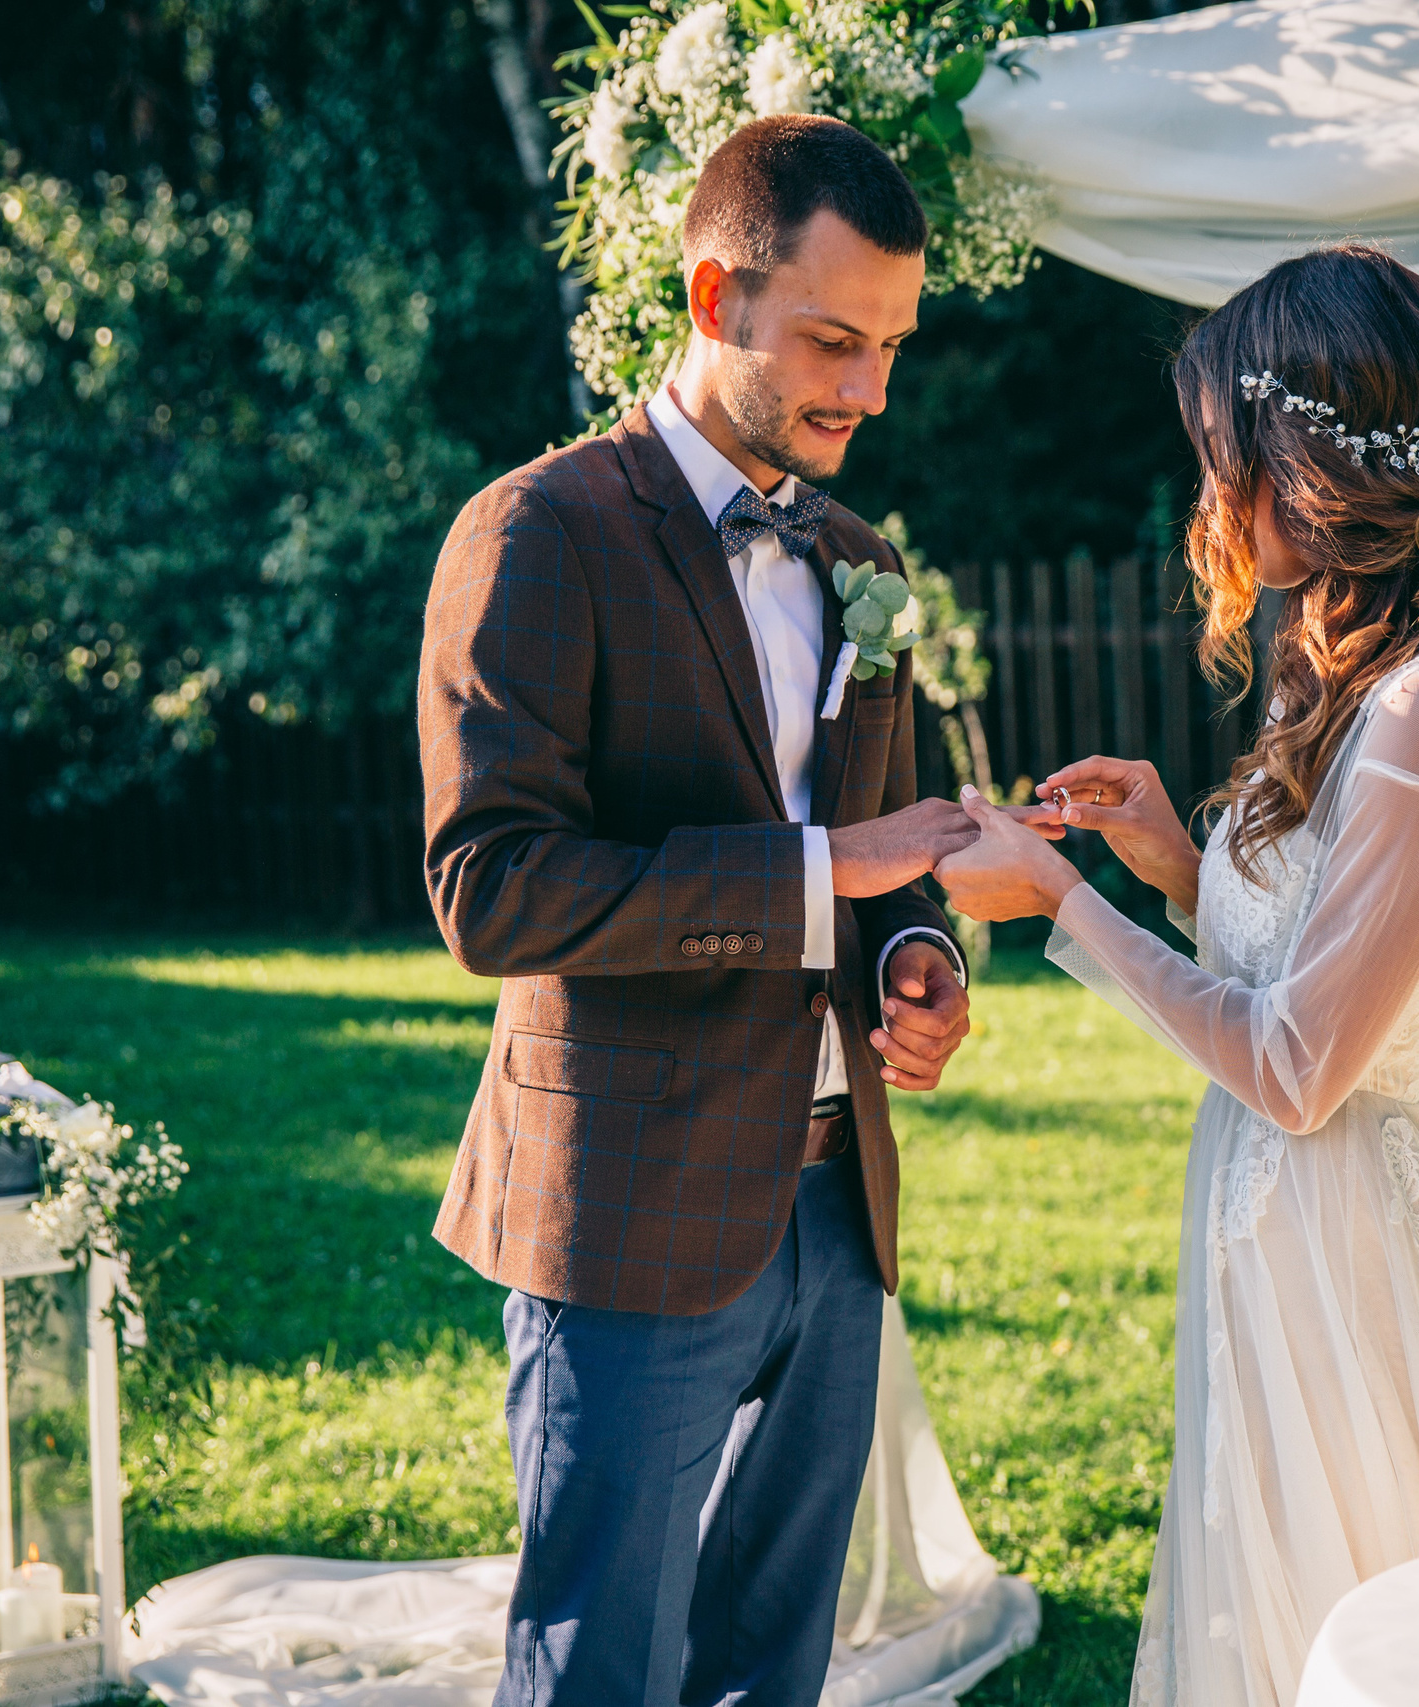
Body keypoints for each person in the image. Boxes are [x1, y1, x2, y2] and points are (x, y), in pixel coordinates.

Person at [417, 114, 1001, 1707]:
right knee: (602, 1658)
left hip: (835, 1204)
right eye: (831, 340)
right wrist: (825, 882)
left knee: (773, 1656)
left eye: (890, 347)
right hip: (627, 1205)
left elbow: (886, 847)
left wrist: (923, 951)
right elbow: (492, 886)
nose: (869, 391)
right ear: (711, 298)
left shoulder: (859, 557)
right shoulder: (538, 533)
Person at [934, 244, 1419, 1707]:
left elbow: (1300, 1066)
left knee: (1363, 1614)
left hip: (1346, 1238)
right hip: (1270, 1222)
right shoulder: (1340, 659)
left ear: (1315, 464)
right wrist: (1173, 862)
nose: (1209, 504)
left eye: (1228, 462)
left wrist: (1063, 909)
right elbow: (1306, 959)